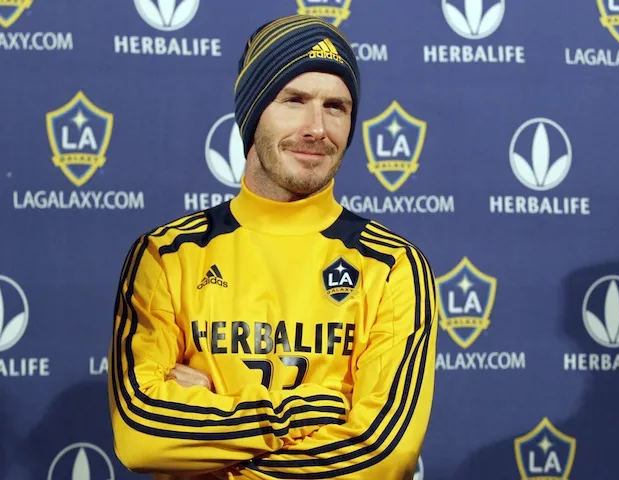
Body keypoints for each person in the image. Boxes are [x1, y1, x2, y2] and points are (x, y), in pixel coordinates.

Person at [108, 14, 438, 480]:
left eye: (336, 107)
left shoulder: (393, 267)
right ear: (252, 113)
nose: (317, 128)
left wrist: (209, 437)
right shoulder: (167, 256)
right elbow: (141, 436)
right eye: (294, 100)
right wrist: (310, 411)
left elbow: (382, 456)